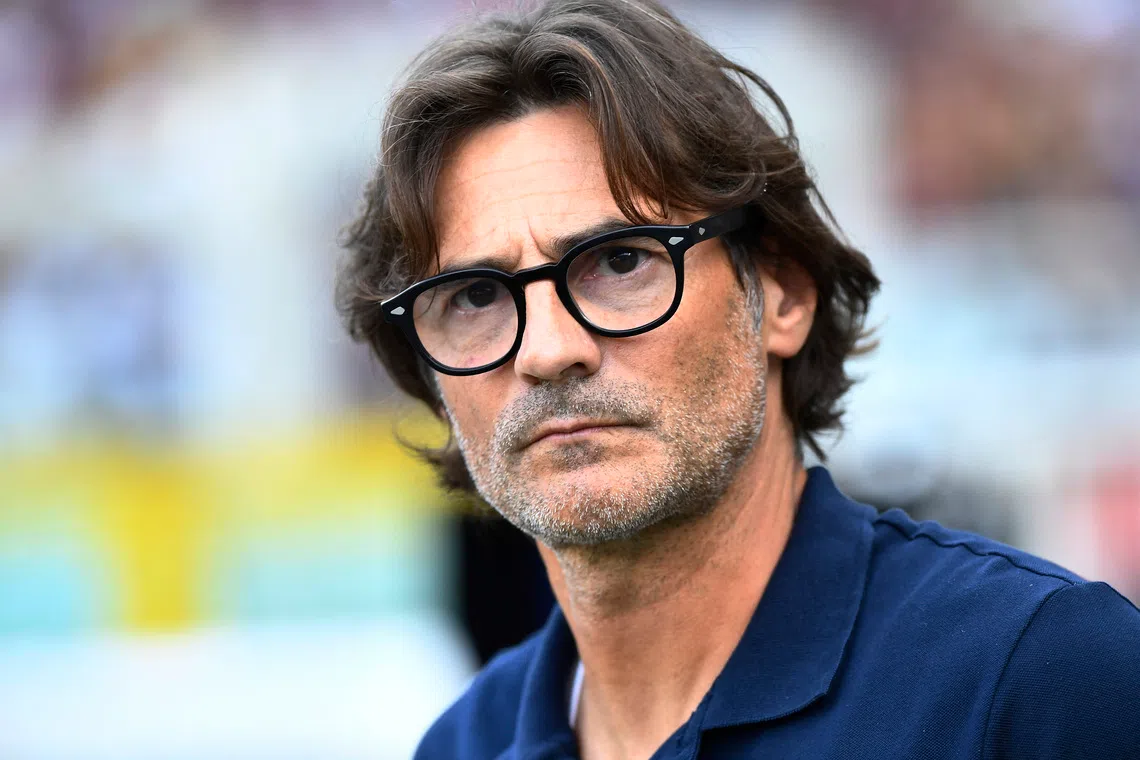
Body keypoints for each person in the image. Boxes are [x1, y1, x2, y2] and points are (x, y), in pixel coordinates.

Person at [336, 1, 1140, 757]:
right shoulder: (466, 743)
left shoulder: (1037, 679)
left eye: (622, 261)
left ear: (782, 292)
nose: (546, 350)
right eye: (474, 296)